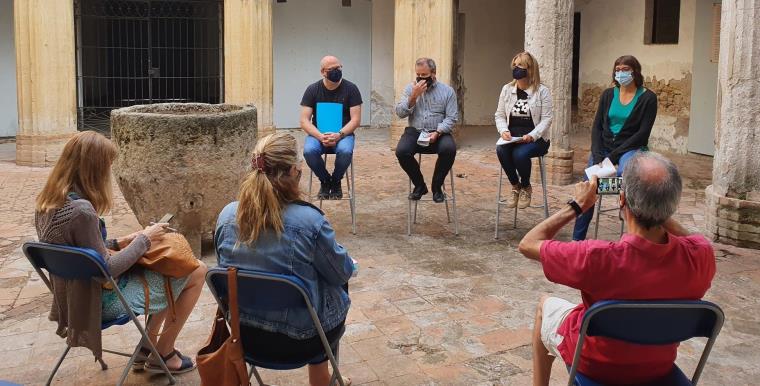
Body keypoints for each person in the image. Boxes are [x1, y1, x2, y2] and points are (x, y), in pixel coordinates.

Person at [518, 152, 715, 385]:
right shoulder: (699, 257)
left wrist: (577, 205)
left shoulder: (597, 257)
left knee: (545, 305)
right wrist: (658, 211)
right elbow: (696, 240)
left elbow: (528, 244)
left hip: (595, 365)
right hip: (656, 367)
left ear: (622, 199)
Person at [34, 131, 207, 374]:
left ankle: (147, 349)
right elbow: (108, 269)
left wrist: (123, 240)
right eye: (106, 166)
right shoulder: (82, 211)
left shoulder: (47, 204)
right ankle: (164, 353)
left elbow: (83, 251)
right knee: (194, 269)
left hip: (70, 299)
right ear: (93, 169)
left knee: (169, 268)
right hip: (99, 302)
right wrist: (146, 238)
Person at [215, 132, 355, 386]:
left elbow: (225, 270)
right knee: (329, 287)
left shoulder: (227, 216)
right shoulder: (310, 221)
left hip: (245, 334)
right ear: (294, 171)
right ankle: (323, 380)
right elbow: (340, 273)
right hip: (304, 341)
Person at [573, 55, 658, 240]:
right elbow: (596, 127)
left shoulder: (648, 98)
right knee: (588, 184)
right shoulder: (608, 95)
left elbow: (642, 134)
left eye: (625, 69)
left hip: (631, 148)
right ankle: (576, 240)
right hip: (603, 149)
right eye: (617, 70)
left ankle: (632, 232)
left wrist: (613, 157)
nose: (621, 73)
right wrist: (596, 156)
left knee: (625, 174)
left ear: (635, 72)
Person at [395, 57, 459, 203]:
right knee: (402, 151)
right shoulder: (410, 89)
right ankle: (419, 185)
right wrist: (413, 96)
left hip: (439, 131)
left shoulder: (447, 91)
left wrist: (438, 132)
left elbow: (452, 117)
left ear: (433, 73)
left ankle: (437, 187)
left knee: (449, 149)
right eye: (418, 75)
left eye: (424, 75)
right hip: (415, 131)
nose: (421, 79)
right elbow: (400, 113)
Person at [494, 51, 552, 209]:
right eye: (514, 65)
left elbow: (547, 118)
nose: (516, 68)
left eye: (520, 65)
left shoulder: (542, 91)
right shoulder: (507, 89)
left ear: (530, 69)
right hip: (513, 136)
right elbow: (499, 115)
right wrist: (503, 130)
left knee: (520, 154)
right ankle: (515, 186)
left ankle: (526, 186)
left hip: (536, 139)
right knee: (501, 150)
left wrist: (533, 136)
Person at [300, 55, 363, 200]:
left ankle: (336, 180)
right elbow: (304, 120)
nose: (336, 71)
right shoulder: (313, 89)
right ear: (323, 72)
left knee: (345, 151)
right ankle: (325, 180)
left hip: (343, 135)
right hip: (318, 134)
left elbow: (356, 120)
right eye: (331, 69)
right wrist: (320, 136)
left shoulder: (351, 89)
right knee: (309, 151)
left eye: (338, 68)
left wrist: (339, 135)